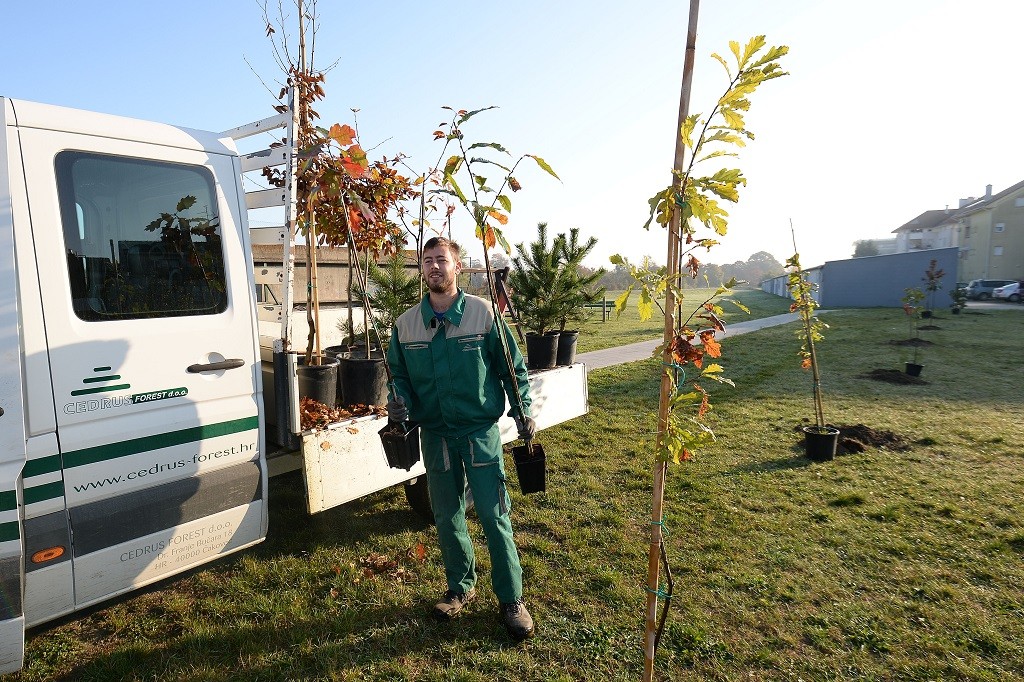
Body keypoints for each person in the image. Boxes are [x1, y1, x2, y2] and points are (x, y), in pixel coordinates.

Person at [386, 236, 538, 640]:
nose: (435, 266)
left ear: (457, 266)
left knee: (493, 514)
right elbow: (399, 375)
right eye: (428, 260)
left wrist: (522, 409)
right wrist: (398, 401)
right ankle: (460, 587)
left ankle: (511, 599)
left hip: (478, 433)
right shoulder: (406, 325)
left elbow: (511, 368)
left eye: (442, 259)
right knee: (446, 513)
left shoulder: (482, 315)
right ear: (422, 268)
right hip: (435, 435)